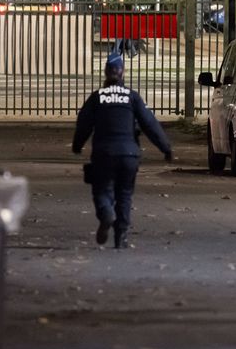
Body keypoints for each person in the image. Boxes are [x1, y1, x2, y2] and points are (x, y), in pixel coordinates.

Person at [72, 50, 172, 249]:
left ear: (106, 72)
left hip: (103, 153)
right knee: (125, 194)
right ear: (123, 73)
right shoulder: (132, 97)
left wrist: (77, 145)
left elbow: (83, 124)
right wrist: (165, 148)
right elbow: (149, 124)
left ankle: (106, 212)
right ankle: (121, 236)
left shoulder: (97, 97)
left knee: (101, 189)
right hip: (129, 154)